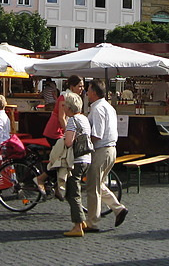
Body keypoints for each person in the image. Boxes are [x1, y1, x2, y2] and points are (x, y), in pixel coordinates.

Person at [85, 81, 127, 232]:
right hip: (111, 150)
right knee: (99, 184)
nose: (86, 93)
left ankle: (92, 222)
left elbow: (97, 134)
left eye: (88, 91)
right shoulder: (109, 107)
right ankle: (118, 209)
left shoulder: (97, 109)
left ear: (94, 93)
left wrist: (81, 142)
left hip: (101, 150)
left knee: (93, 187)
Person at [37, 75, 85, 195]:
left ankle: (58, 184)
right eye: (80, 86)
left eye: (83, 86)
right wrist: (67, 133)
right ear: (72, 86)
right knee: (62, 158)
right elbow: (61, 117)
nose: (82, 88)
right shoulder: (65, 97)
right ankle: (42, 178)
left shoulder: (73, 97)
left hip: (61, 131)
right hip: (55, 131)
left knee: (65, 156)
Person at [61, 92, 92, 237]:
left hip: (77, 160)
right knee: (74, 190)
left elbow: (68, 142)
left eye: (64, 105)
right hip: (87, 158)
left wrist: (64, 138)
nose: (63, 107)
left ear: (69, 107)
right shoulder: (84, 118)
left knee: (73, 192)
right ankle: (82, 221)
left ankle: (78, 225)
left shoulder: (73, 120)